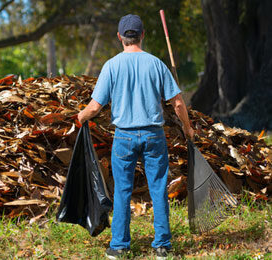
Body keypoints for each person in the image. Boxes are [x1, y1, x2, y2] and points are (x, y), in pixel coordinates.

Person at [77, 14, 195, 259]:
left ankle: (119, 246)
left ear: (120, 37)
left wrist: (80, 117)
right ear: (142, 35)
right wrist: (188, 128)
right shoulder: (156, 64)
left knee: (122, 190)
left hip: (124, 138)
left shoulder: (111, 66)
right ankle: (162, 245)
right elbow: (178, 103)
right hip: (154, 135)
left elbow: (95, 108)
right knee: (158, 189)